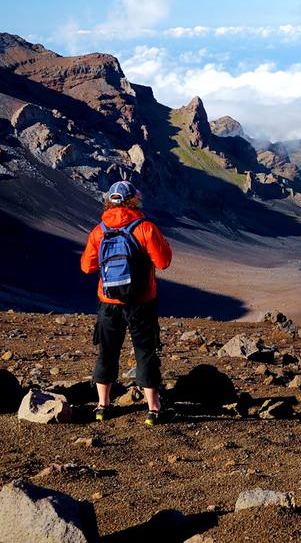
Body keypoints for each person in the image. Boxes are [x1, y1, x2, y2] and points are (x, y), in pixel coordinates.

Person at [80, 180, 173, 425]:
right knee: (145, 353)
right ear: (134, 200)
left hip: (108, 302)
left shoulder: (99, 230)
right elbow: (163, 262)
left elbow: (86, 266)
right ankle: (153, 409)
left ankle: (102, 406)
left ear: (110, 200)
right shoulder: (145, 227)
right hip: (141, 302)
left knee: (107, 351)